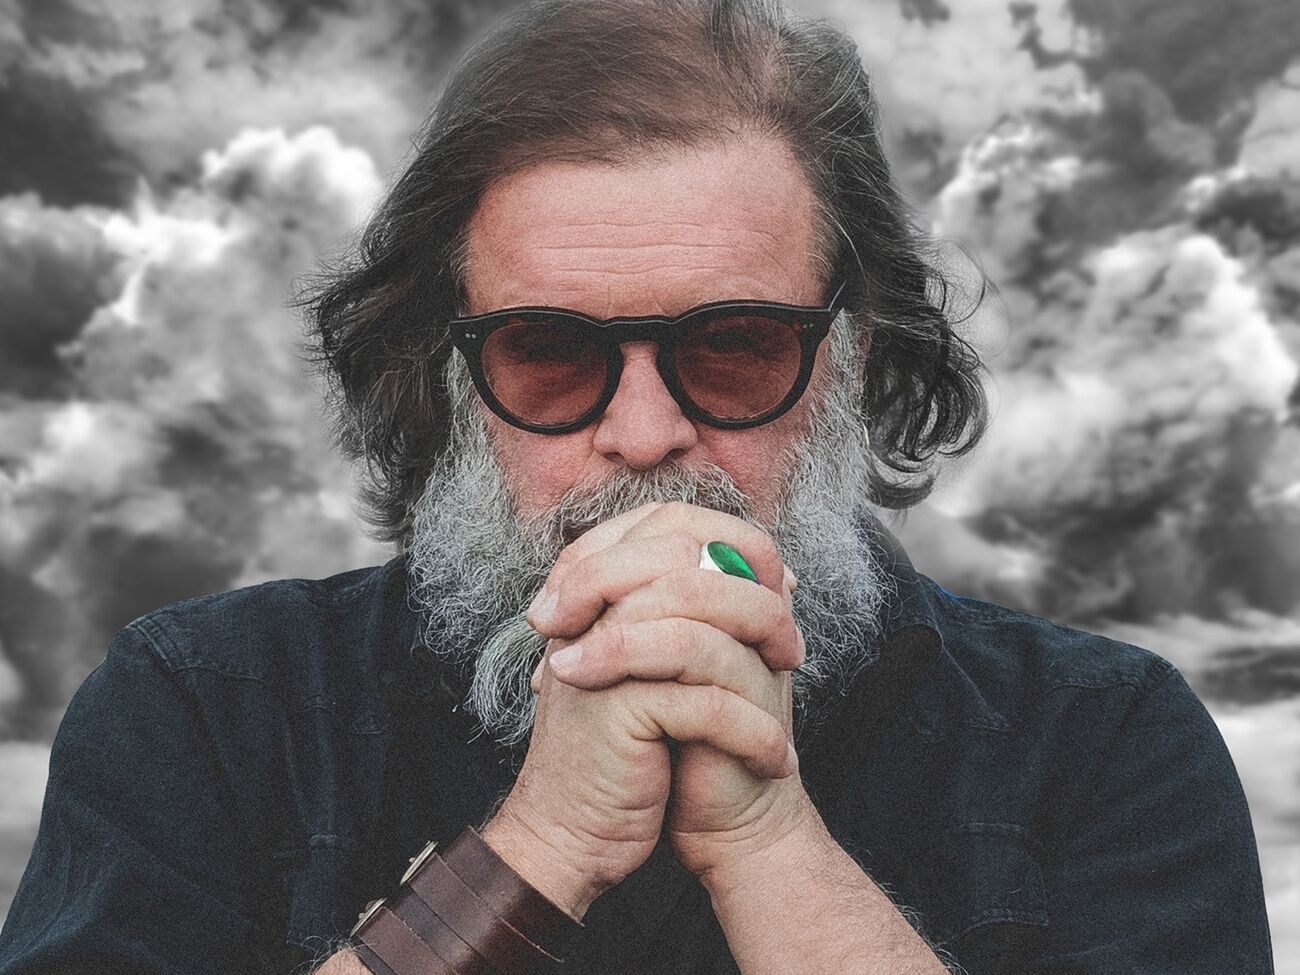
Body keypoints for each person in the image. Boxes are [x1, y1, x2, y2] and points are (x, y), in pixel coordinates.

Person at [0, 0, 1275, 973]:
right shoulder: (206, 711)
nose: (645, 432)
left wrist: (767, 846)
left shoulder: (1102, 745)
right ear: (446, 377)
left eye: (734, 347)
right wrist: (540, 848)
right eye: (550, 353)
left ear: (855, 358)